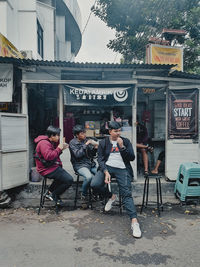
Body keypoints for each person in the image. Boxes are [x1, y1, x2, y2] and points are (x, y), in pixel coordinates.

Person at [91, 121, 141, 238]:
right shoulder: (103, 142)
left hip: (122, 169)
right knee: (95, 184)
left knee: (126, 193)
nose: (118, 133)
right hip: (107, 167)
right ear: (110, 132)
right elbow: (100, 159)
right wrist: (105, 171)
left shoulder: (125, 141)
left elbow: (132, 158)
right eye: (115, 131)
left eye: (119, 131)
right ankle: (111, 196)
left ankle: (134, 221)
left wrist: (122, 147)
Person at [34, 125, 73, 205]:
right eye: (58, 135)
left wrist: (61, 149)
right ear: (52, 136)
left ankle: (49, 192)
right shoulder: (44, 143)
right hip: (46, 169)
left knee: (62, 178)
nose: (59, 137)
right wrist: (59, 148)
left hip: (50, 167)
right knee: (69, 180)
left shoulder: (47, 142)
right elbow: (49, 157)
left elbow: (52, 155)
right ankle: (54, 194)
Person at [69, 125, 98, 208]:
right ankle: (84, 195)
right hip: (79, 165)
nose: (84, 134)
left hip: (90, 164)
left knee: (100, 175)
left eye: (84, 132)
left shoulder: (86, 140)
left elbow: (92, 154)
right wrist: (86, 144)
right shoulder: (72, 143)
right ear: (77, 135)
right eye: (82, 133)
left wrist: (95, 148)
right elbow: (77, 155)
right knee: (89, 177)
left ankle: (95, 193)